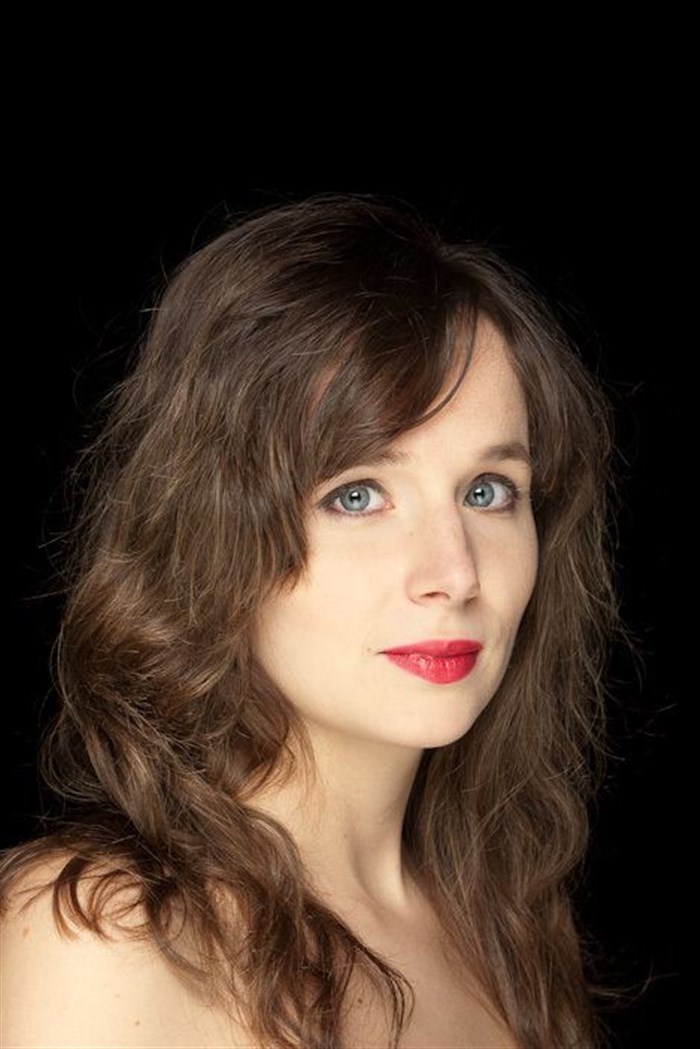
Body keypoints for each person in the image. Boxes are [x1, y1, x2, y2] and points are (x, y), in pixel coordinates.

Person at [1, 195, 615, 1048]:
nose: (456, 573)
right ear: (215, 535)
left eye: (487, 491)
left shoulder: (505, 924)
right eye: (357, 495)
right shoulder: (99, 939)